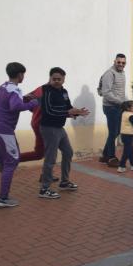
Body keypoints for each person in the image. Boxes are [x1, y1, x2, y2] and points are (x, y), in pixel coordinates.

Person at [0, 63, 39, 207]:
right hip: (4, 131)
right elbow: (15, 106)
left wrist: (25, 99)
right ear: (20, 74)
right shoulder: (15, 89)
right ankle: (3, 198)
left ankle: (3, 197)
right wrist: (33, 103)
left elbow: (9, 103)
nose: (23, 77)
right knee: (12, 161)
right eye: (23, 74)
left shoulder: (3, 87)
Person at [38, 67, 90, 199]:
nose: (56, 81)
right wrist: (68, 113)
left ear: (63, 79)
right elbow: (49, 111)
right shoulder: (46, 91)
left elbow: (68, 107)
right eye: (54, 79)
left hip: (59, 128)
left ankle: (64, 182)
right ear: (50, 78)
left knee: (68, 152)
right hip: (49, 128)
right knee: (51, 158)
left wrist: (77, 111)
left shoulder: (64, 91)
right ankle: (44, 189)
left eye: (59, 79)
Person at [98, 53, 127, 167]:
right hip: (110, 107)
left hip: (118, 106)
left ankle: (105, 155)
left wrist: (127, 101)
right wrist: (121, 102)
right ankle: (111, 158)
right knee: (113, 132)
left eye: (123, 63)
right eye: (118, 62)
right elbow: (106, 93)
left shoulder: (122, 73)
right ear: (114, 61)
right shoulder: (109, 74)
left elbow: (120, 91)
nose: (121, 64)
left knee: (116, 132)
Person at [117, 100, 133, 173]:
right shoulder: (131, 115)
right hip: (128, 135)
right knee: (127, 151)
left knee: (130, 150)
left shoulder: (124, 113)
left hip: (124, 134)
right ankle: (121, 166)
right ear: (128, 108)